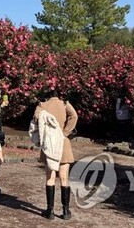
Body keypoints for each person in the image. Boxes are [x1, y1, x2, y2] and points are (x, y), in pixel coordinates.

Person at [33, 90, 78, 220]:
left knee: (50, 177)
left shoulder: (42, 105)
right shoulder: (65, 104)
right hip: (63, 142)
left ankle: (50, 210)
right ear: (59, 96)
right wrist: (65, 132)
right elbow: (74, 116)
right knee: (64, 178)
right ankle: (65, 211)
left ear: (48, 96)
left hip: (50, 143)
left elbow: (36, 117)